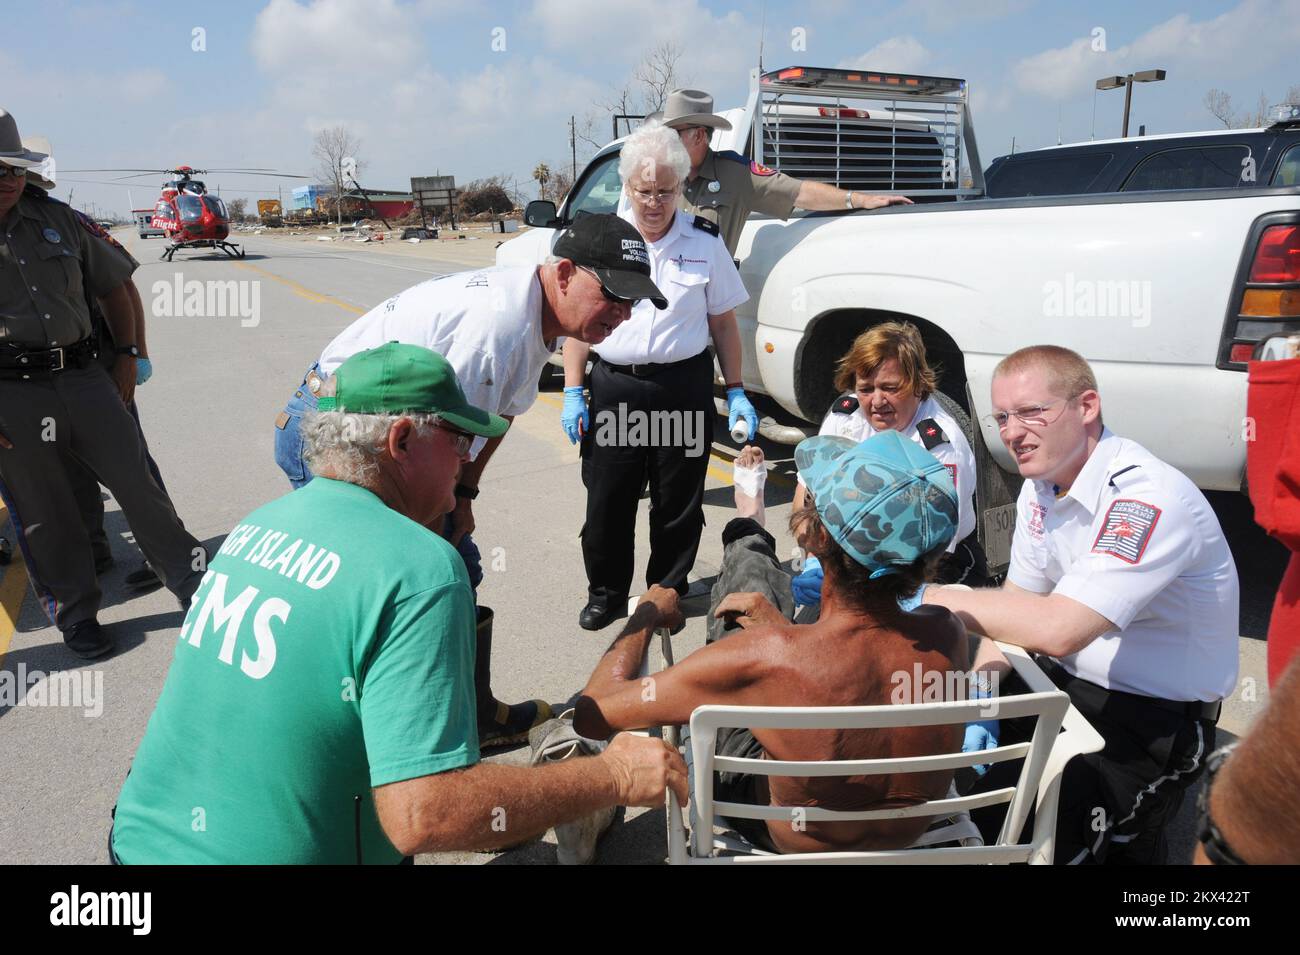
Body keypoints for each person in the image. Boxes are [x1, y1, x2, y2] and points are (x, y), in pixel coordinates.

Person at [110, 344, 686, 864]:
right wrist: (610, 775)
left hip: (136, 843)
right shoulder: (421, 566)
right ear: (402, 440)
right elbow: (423, 813)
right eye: (459, 441)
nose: (465, 461)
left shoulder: (259, 524)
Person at [272, 212, 667, 748]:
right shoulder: (496, 329)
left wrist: (465, 493)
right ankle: (378, 739)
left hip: (403, 438)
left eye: (633, 303)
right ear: (566, 272)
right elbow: (432, 441)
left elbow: (495, 417)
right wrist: (440, 525)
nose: (621, 314)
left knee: (452, 568)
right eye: (612, 296)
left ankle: (467, 715)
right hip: (343, 434)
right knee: (406, 585)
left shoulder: (538, 320)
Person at [575, 430, 1007, 853]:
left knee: (747, 570)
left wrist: (648, 612)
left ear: (817, 537)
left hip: (792, 834)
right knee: (763, 602)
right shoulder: (946, 633)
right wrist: (785, 633)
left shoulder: (768, 660)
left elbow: (593, 713)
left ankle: (747, 530)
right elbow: (856, 666)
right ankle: (750, 533)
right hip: (907, 830)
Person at [924, 345, 1240, 864]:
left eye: (1031, 412)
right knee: (980, 814)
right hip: (1062, 686)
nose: (1012, 432)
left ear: (1087, 406)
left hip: (1150, 719)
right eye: (1002, 417)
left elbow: (1059, 628)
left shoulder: (1145, 498)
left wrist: (937, 596)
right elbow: (1019, 608)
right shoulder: (1041, 486)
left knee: (1077, 846)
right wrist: (977, 694)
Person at [0, 107, 204, 659]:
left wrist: (129, 355)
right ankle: (77, 616)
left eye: (14, 169)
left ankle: (193, 587)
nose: (9, 181)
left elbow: (117, 286)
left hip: (85, 376)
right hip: (10, 395)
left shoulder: (59, 219)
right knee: (46, 510)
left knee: (137, 483)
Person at [561, 121, 752, 632]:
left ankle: (666, 588)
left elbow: (724, 324)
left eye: (665, 191)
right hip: (616, 386)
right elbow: (578, 323)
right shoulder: (600, 239)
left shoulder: (705, 242)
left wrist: (735, 391)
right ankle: (605, 593)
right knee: (608, 499)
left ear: (681, 186)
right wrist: (574, 390)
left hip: (681, 387)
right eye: (644, 190)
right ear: (627, 187)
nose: (654, 201)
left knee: (678, 501)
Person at [790, 321, 986, 601]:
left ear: (918, 385)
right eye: (866, 388)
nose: (876, 401)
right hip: (852, 557)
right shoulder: (844, 417)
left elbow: (934, 549)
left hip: (931, 565)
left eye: (890, 388)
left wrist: (861, 589)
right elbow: (808, 497)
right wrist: (816, 559)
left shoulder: (940, 446)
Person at [656, 88, 914, 256]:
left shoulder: (736, 175)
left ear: (699, 135)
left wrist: (859, 199)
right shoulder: (661, 175)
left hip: (707, 304)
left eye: (673, 134)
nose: (666, 141)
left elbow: (798, 192)